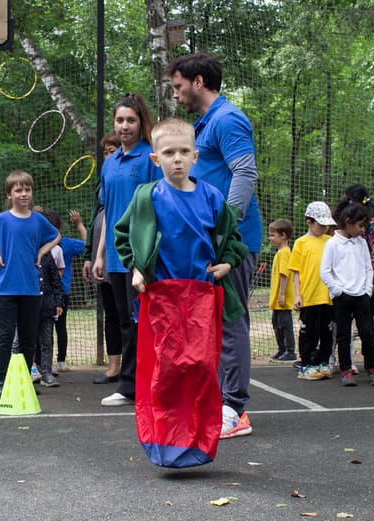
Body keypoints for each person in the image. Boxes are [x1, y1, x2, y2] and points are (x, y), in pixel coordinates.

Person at [114, 117, 247, 462]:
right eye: (169, 152)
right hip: (162, 296)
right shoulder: (147, 197)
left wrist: (228, 263)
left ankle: (198, 443)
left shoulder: (212, 197)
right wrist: (136, 269)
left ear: (195, 156)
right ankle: (167, 444)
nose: (177, 158)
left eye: (184, 152)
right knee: (167, 370)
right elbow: (122, 236)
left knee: (201, 367)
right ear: (155, 159)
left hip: (201, 295)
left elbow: (232, 238)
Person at [169, 52, 261, 438]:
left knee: (231, 320)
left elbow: (245, 171)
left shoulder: (227, 119)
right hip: (210, 242)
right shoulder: (205, 125)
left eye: (178, 87)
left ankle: (235, 410)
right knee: (212, 325)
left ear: (199, 82)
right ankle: (220, 401)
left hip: (232, 243)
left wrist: (226, 228)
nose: (176, 95)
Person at [92, 93, 161, 407]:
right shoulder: (110, 163)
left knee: (144, 322)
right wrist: (100, 254)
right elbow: (108, 212)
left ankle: (144, 384)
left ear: (141, 122)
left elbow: (161, 208)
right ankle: (130, 385)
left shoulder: (151, 158)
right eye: (120, 120)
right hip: (116, 258)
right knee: (124, 322)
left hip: (142, 257)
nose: (124, 126)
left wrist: (148, 256)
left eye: (131, 120)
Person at [0, 170, 61, 399]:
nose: (23, 194)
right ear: (9, 194)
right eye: (18, 190)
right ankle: (1, 381)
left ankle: (24, 379)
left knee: (28, 338)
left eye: (27, 189)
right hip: (5, 289)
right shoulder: (2, 220)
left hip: (31, 288)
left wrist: (41, 252)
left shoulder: (38, 220)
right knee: (4, 336)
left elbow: (56, 236)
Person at [320, 203, 374, 387]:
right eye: (360, 226)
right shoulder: (332, 243)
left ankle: (373, 368)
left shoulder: (362, 242)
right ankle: (346, 369)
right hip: (342, 297)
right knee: (343, 335)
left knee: (367, 333)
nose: (363, 230)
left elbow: (367, 267)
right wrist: (337, 290)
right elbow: (325, 271)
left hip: (361, 296)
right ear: (348, 222)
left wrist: (366, 289)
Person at [83, 132, 124, 384]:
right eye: (106, 152)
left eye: (113, 150)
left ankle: (134, 366)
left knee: (128, 312)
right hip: (102, 252)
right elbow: (94, 217)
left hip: (123, 252)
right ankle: (114, 365)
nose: (109, 155)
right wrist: (90, 254)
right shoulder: (104, 179)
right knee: (110, 310)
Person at [339, 184, 374, 374]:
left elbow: (370, 258)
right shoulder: (342, 237)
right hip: (347, 284)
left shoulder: (367, 227)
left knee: (365, 327)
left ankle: (371, 364)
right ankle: (346, 364)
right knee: (344, 328)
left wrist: (368, 285)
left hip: (365, 282)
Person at [289, 201, 336, 381]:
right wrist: (297, 295)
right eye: (320, 225)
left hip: (328, 296)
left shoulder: (331, 242)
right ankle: (306, 364)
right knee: (308, 332)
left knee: (326, 331)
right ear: (309, 221)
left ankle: (323, 362)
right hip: (309, 296)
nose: (324, 229)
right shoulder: (301, 243)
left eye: (326, 226)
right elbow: (295, 272)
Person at [35, 210, 65, 387]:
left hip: (46, 305)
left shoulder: (47, 257)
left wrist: (58, 302)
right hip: (27, 306)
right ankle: (27, 371)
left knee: (46, 340)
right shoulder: (21, 254)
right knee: (24, 341)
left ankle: (46, 372)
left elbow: (55, 281)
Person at [54, 209, 86, 372]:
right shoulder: (39, 243)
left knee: (57, 327)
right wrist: (79, 224)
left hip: (59, 292)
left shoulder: (66, 244)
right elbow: (88, 243)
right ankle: (53, 362)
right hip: (47, 292)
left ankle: (60, 360)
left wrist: (80, 224)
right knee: (53, 327)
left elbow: (88, 246)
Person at [267, 219, 296, 362]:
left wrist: (282, 294)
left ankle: (290, 351)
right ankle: (281, 349)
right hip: (277, 299)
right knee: (277, 324)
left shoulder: (285, 253)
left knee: (285, 325)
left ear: (283, 236)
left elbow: (284, 274)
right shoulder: (279, 253)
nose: (270, 238)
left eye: (273, 235)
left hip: (283, 298)